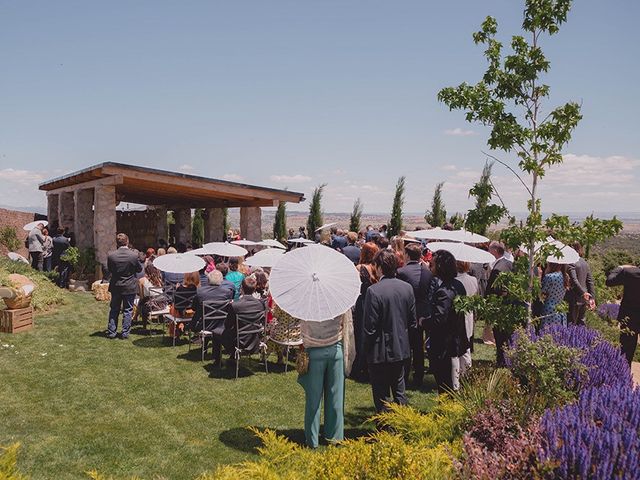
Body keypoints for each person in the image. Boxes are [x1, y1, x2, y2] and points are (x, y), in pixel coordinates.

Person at [363, 249, 416, 412]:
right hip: (401, 349)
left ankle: (386, 431)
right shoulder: (407, 288)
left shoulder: (374, 291)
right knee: (400, 392)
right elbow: (413, 322)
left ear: (379, 267)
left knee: (382, 396)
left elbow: (369, 328)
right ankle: (403, 425)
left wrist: (365, 351)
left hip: (379, 353)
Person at [298, 308, 354, 448]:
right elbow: (348, 325)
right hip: (336, 350)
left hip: (314, 350)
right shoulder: (339, 301)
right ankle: (335, 436)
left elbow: (303, 328)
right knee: (336, 398)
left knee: (313, 400)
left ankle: (312, 439)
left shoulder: (307, 302)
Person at [424, 250, 468, 393]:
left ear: (441, 266)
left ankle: (445, 410)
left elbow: (439, 319)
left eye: (433, 263)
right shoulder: (458, 285)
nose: (431, 265)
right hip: (455, 339)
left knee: (444, 382)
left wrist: (423, 322)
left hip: (444, 344)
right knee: (447, 381)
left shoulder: (444, 291)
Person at [396, 243, 432, 387]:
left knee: (406, 345)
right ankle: (419, 375)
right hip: (424, 312)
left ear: (408, 255)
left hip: (406, 313)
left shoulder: (401, 272)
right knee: (419, 347)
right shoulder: (428, 272)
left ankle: (404, 374)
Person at [223, 276, 267, 365]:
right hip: (255, 340)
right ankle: (232, 356)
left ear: (241, 288)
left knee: (219, 333)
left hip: (239, 341)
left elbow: (227, 325)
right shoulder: (261, 304)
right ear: (255, 289)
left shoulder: (235, 305)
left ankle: (217, 362)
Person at [351, 242, 379, 380]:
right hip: (375, 303)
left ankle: (359, 365)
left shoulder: (359, 268)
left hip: (362, 303)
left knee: (360, 334)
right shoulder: (377, 269)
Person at [190, 270, 234, 356]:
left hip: (204, 324)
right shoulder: (228, 292)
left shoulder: (200, 291)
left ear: (208, 280)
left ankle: (205, 346)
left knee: (205, 317)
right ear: (221, 281)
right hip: (221, 324)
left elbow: (194, 308)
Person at [106, 233, 142, 339]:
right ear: (127, 241)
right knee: (128, 310)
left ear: (117, 243)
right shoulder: (134, 255)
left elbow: (110, 270)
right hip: (129, 285)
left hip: (116, 285)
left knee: (114, 309)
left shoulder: (111, 256)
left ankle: (112, 332)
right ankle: (125, 332)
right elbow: (139, 269)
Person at [605, 263, 640, 364]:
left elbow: (609, 281)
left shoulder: (630, 273)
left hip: (629, 318)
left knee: (626, 352)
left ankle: (625, 376)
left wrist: (620, 268)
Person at [452, 261, 478, 390]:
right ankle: (467, 374)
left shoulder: (455, 281)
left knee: (457, 349)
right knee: (466, 347)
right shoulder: (473, 280)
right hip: (469, 315)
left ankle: (457, 377)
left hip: (459, 316)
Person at [486, 241, 513, 366]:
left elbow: (494, 290)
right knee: (506, 335)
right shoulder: (509, 264)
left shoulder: (497, 269)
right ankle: (506, 358)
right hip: (509, 306)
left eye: (489, 250)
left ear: (495, 251)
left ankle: (501, 360)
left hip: (499, 307)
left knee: (500, 335)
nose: (488, 252)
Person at [566, 242, 595, 325]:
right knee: (581, 323)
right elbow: (590, 281)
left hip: (574, 297)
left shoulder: (571, 262)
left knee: (571, 323)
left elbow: (574, 280)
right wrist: (591, 298)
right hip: (584, 300)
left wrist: (583, 293)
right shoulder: (584, 262)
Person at [540, 262, 569, 327]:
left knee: (547, 333)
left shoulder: (549, 277)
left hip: (549, 309)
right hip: (561, 308)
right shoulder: (565, 276)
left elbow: (542, 292)